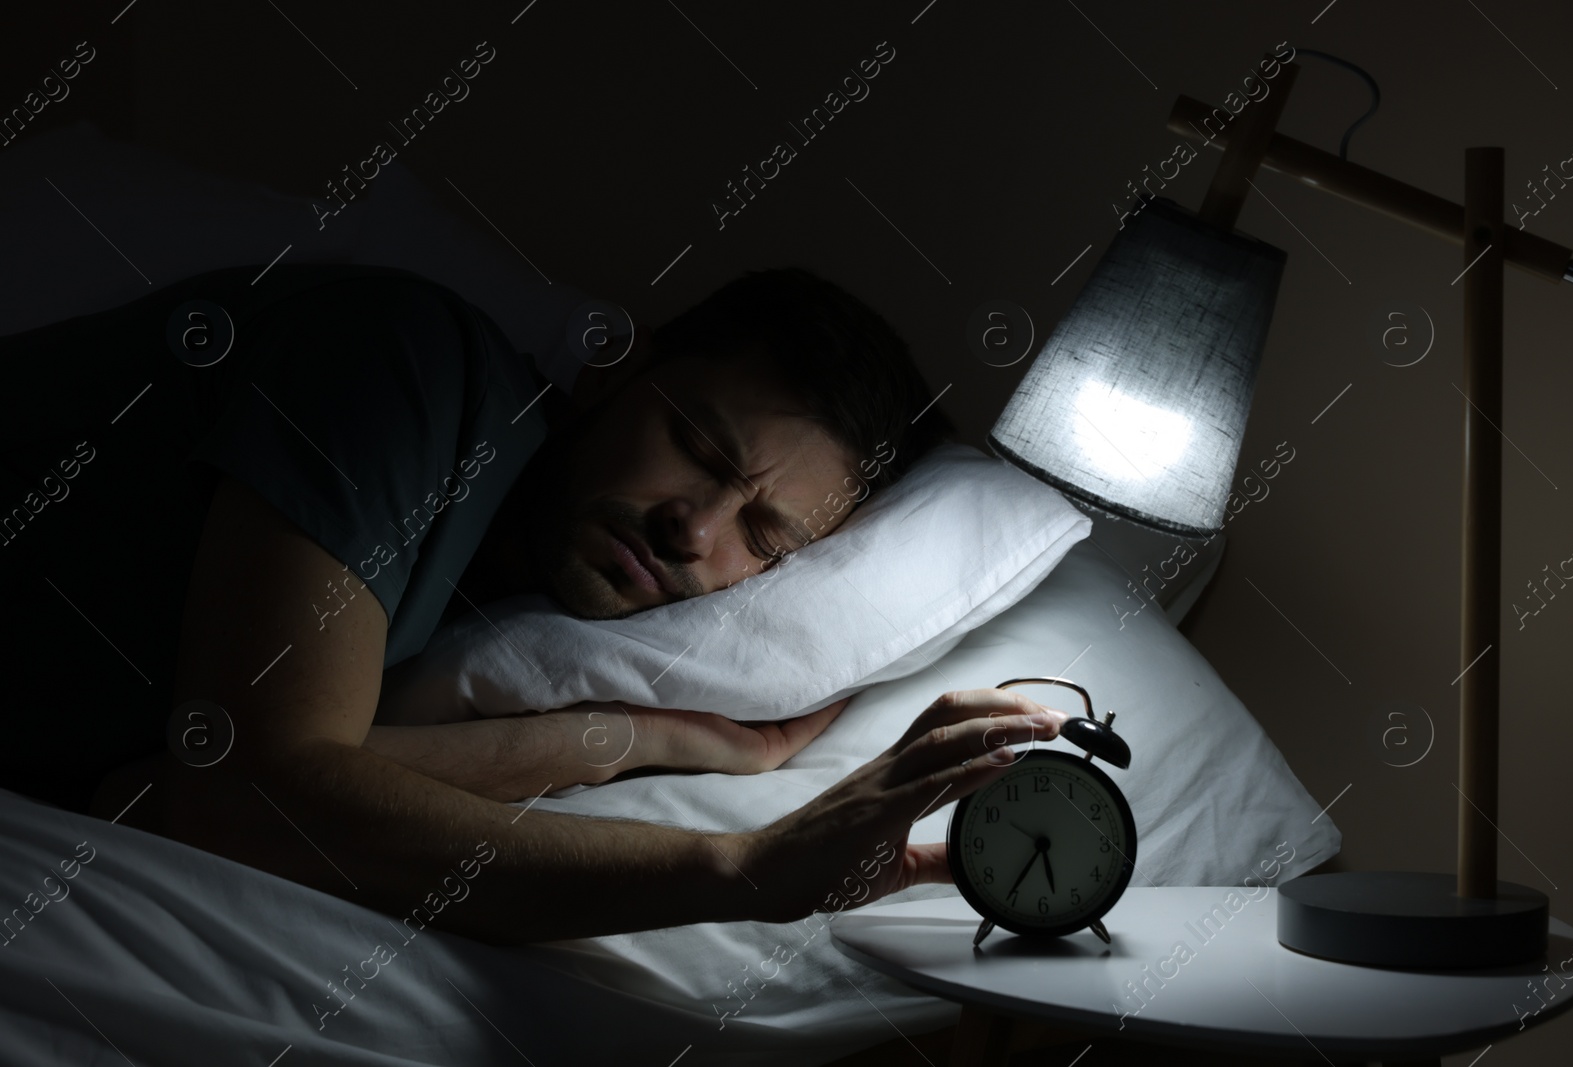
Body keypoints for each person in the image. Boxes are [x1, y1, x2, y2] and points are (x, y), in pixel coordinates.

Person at [0, 261, 1072, 944]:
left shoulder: (461, 603)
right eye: (694, 448)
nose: (694, 528)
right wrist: (744, 866)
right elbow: (241, 794)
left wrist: (637, 737)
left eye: (767, 535)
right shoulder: (409, 365)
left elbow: (156, 788)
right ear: (612, 373)